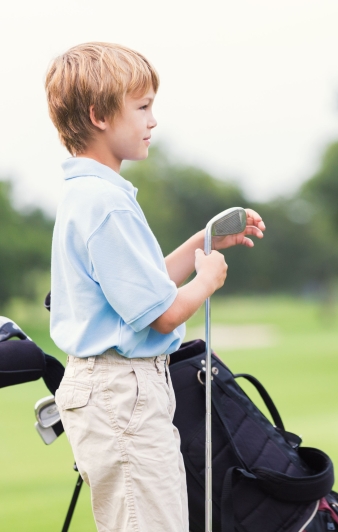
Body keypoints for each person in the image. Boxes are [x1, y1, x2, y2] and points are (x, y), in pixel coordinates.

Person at [45, 42, 266, 531]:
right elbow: (161, 313)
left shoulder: (90, 194)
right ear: (100, 115)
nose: (153, 120)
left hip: (114, 390)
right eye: (142, 107)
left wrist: (202, 244)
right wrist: (206, 281)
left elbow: (141, 290)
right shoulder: (107, 203)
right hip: (121, 392)